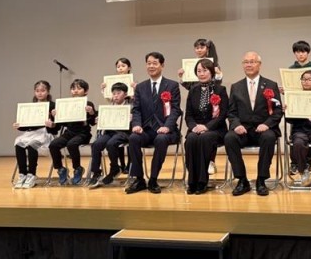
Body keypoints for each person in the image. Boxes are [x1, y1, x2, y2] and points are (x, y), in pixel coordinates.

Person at [224, 51, 282, 196]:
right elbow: (231, 112)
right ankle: (242, 180)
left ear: (259, 65)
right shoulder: (236, 86)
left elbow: (277, 110)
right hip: (243, 129)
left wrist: (267, 124)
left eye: (252, 62)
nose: (248, 65)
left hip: (263, 129)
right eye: (246, 62)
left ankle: (261, 180)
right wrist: (236, 125)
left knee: (269, 137)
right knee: (229, 138)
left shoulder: (271, 85)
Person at [125, 52, 182, 194]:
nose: (151, 66)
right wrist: (136, 124)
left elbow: (175, 110)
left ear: (162, 65)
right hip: (146, 129)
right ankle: (139, 179)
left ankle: (153, 179)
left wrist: (167, 126)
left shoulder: (172, 85)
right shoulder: (140, 87)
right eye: (148, 63)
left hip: (166, 130)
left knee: (161, 139)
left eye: (155, 63)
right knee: (133, 138)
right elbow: (136, 109)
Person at [177, 38, 223, 175]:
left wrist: (219, 74)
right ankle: (193, 168)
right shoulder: (191, 65)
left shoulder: (214, 65)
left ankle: (210, 161)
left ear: (207, 49)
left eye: (201, 47)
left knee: (208, 136)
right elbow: (191, 87)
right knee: (192, 138)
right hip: (198, 111)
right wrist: (182, 78)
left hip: (211, 113)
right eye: (196, 47)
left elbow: (217, 85)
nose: (199, 50)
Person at [184, 58, 229, 194]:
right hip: (196, 129)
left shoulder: (220, 90)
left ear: (211, 72)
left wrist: (206, 127)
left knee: (205, 138)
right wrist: (194, 127)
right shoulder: (193, 90)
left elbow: (223, 114)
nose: (202, 74)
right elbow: (188, 115)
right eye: (199, 71)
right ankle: (192, 180)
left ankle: (202, 181)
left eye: (205, 71)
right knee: (191, 139)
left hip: (215, 129)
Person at [48, 79, 97, 186]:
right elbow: (60, 124)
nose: (75, 91)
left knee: (72, 144)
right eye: (73, 88)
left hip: (83, 133)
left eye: (79, 88)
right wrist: (55, 116)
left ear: (86, 91)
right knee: (53, 144)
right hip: (69, 132)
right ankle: (61, 169)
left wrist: (91, 112)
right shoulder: (66, 104)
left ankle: (77, 168)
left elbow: (93, 122)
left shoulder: (88, 104)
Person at [12, 80, 59, 189]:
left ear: (48, 91)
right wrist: (19, 125)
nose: (40, 93)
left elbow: (57, 126)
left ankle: (31, 174)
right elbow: (28, 125)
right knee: (19, 144)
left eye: (43, 90)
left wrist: (52, 123)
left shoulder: (53, 106)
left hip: (45, 133)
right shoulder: (31, 106)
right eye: (37, 91)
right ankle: (22, 174)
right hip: (31, 133)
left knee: (31, 145)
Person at [283, 40, 311, 175]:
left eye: (303, 52)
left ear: (308, 53)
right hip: (295, 103)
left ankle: (308, 162)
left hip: (309, 103)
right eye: (297, 52)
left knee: (310, 132)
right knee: (295, 133)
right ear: (294, 53)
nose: (300, 54)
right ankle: (294, 163)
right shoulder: (291, 69)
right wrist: (284, 90)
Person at [88, 82, 131, 189]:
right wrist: (99, 119)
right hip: (110, 132)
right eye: (114, 93)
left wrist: (131, 119)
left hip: (124, 133)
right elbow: (101, 121)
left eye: (118, 93)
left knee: (111, 144)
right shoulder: (108, 107)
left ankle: (114, 168)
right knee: (96, 144)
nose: (115, 96)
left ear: (125, 94)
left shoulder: (130, 107)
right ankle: (96, 173)